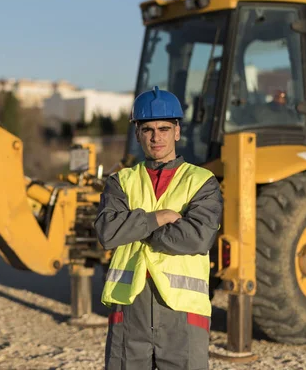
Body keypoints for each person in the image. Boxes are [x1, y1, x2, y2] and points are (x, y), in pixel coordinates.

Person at [94, 86, 223, 370]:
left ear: (177, 131)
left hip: (183, 311)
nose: (157, 137)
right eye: (148, 129)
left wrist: (135, 229)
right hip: (130, 309)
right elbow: (107, 233)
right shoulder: (121, 181)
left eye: (164, 128)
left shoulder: (202, 182)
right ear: (138, 133)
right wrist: (159, 217)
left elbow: (197, 239)